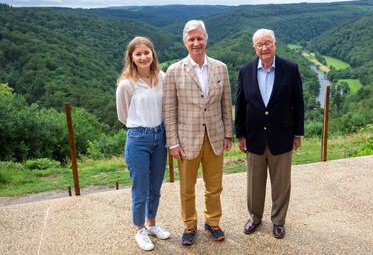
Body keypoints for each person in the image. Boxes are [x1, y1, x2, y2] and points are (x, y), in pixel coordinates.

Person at [163, 20, 233, 245]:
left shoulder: (220, 67)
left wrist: (228, 134)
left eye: (199, 38)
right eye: (191, 39)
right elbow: (169, 109)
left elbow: (226, 103)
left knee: (215, 186)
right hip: (186, 140)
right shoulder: (174, 71)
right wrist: (172, 142)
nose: (196, 43)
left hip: (215, 137)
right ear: (185, 42)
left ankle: (212, 222)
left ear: (206, 39)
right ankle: (189, 225)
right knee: (186, 188)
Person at [235, 29, 304, 239]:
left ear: (275, 44)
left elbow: (298, 103)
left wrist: (298, 133)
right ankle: (255, 218)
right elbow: (240, 105)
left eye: (268, 43)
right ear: (254, 47)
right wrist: (240, 134)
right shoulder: (245, 70)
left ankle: (278, 221)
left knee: (281, 183)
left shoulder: (290, 69)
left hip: (282, 135)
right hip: (254, 136)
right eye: (259, 44)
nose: (264, 48)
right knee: (254, 183)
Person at [116, 36, 170, 251]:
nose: (143, 57)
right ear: (131, 57)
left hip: (160, 135)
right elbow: (122, 115)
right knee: (140, 189)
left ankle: (151, 224)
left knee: (155, 187)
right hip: (138, 138)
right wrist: (141, 126)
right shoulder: (126, 84)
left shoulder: (162, 77)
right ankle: (139, 229)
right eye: (138, 54)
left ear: (152, 54)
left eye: (146, 52)